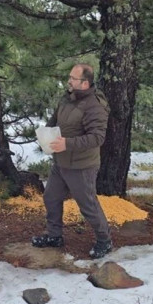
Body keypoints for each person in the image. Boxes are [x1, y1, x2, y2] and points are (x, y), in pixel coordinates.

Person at [31, 63, 113, 258]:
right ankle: (54, 236)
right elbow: (55, 120)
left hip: (82, 166)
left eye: (73, 78)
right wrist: (45, 133)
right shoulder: (68, 98)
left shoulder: (95, 106)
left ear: (84, 83)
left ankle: (105, 240)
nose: (69, 81)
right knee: (51, 197)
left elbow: (97, 138)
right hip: (61, 162)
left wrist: (67, 143)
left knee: (88, 205)